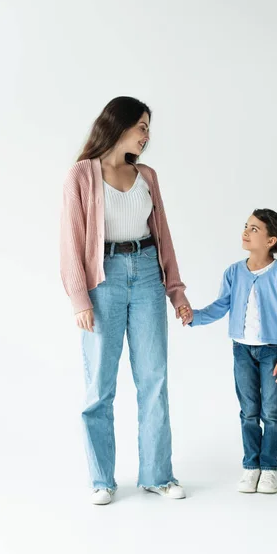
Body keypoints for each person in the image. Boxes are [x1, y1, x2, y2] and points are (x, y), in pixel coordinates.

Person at [60, 96, 193, 504]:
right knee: (100, 385)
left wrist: (177, 292)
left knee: (154, 379)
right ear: (117, 125)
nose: (147, 134)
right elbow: (70, 241)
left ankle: (157, 474)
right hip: (106, 280)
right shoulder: (82, 175)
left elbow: (163, 236)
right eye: (142, 125)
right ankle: (102, 480)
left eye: (148, 127)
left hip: (148, 274)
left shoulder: (147, 175)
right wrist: (80, 298)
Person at [183, 208, 277, 494]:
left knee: (271, 412)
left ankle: (269, 468)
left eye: (254, 229)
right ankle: (251, 467)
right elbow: (221, 305)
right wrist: (194, 316)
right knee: (249, 411)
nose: (246, 232)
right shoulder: (234, 272)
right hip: (242, 351)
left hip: (272, 352)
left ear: (271, 240)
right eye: (246, 226)